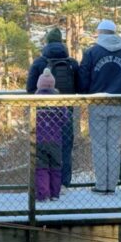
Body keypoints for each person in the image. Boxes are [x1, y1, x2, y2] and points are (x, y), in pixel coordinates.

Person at [79, 19, 121, 195]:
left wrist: (85, 93)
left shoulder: (92, 52)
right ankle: (112, 185)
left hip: (97, 103)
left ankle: (101, 184)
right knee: (113, 145)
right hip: (118, 103)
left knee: (99, 145)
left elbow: (83, 76)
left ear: (100, 32)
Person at [26, 28, 79, 187]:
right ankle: (63, 183)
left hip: (42, 113)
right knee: (65, 147)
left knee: (42, 150)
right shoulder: (72, 63)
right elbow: (80, 86)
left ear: (47, 42)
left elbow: (29, 88)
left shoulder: (39, 62)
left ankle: (44, 185)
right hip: (65, 110)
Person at [34, 69, 67, 202]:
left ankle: (43, 194)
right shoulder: (58, 100)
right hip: (55, 139)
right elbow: (64, 118)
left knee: (41, 167)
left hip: (39, 139)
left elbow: (29, 117)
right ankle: (55, 194)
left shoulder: (34, 99)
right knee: (56, 167)